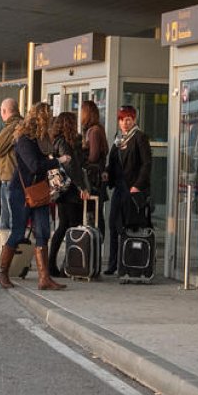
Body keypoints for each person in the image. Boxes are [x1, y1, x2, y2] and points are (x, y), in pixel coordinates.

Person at [0, 101, 67, 291]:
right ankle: (2, 272)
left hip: (38, 191)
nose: (51, 120)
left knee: (43, 231)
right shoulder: (24, 139)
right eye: (49, 117)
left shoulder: (41, 139)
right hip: (21, 192)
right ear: (40, 119)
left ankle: (44, 278)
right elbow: (34, 166)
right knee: (18, 232)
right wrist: (58, 161)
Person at [105, 105, 151, 276]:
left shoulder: (139, 137)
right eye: (122, 120)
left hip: (132, 189)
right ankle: (112, 264)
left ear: (134, 120)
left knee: (128, 226)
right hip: (119, 187)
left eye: (128, 119)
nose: (124, 123)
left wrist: (137, 185)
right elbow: (113, 162)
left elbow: (146, 164)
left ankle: (127, 264)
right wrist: (106, 174)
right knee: (113, 224)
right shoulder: (118, 138)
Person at [48, 111, 90, 278]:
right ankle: (68, 265)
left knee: (63, 226)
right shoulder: (66, 143)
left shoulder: (56, 141)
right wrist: (82, 187)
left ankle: (53, 264)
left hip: (61, 191)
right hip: (70, 191)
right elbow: (72, 168)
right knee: (73, 226)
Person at [0, 98, 24, 255]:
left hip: (10, 179)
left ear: (4, 111)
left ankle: (3, 257)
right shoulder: (21, 125)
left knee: (7, 222)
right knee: (11, 220)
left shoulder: (12, 126)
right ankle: (7, 257)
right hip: (15, 178)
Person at [80, 100, 109, 239]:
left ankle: (95, 242)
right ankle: (96, 241)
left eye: (82, 111)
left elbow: (94, 155)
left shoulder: (94, 131)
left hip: (93, 179)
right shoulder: (97, 129)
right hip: (97, 177)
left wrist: (82, 162)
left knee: (94, 213)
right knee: (96, 212)